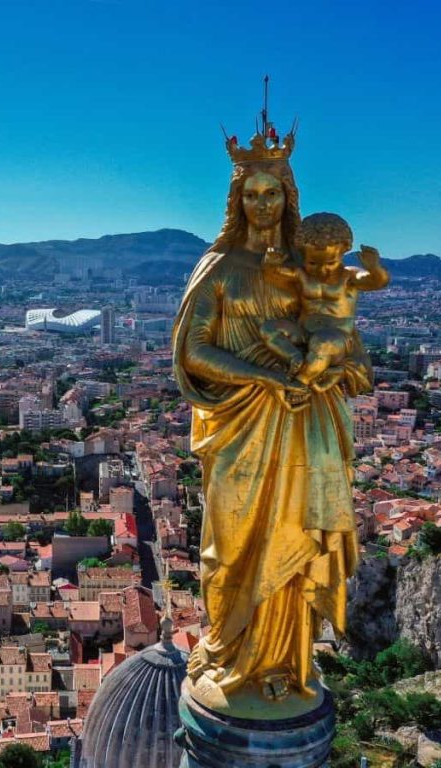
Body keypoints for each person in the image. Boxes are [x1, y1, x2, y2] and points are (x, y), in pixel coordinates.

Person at [171, 126, 372, 711]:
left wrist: (338, 368)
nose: (263, 204)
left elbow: (340, 333)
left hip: (304, 423)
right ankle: (231, 651)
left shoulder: (310, 266)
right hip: (241, 423)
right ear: (237, 201)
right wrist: (266, 376)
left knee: (295, 541)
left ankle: (285, 661)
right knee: (227, 548)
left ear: (289, 198)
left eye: (273, 193)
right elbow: (193, 351)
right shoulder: (219, 266)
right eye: (252, 194)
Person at [260, 212, 389, 391]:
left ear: (343, 253)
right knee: (269, 329)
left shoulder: (348, 276)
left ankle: (300, 383)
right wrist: (270, 264)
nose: (322, 270)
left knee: (322, 344)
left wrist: (374, 268)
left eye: (330, 263)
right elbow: (274, 275)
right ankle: (295, 358)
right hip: (304, 332)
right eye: (313, 263)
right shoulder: (301, 274)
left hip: (337, 339)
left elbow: (376, 281)